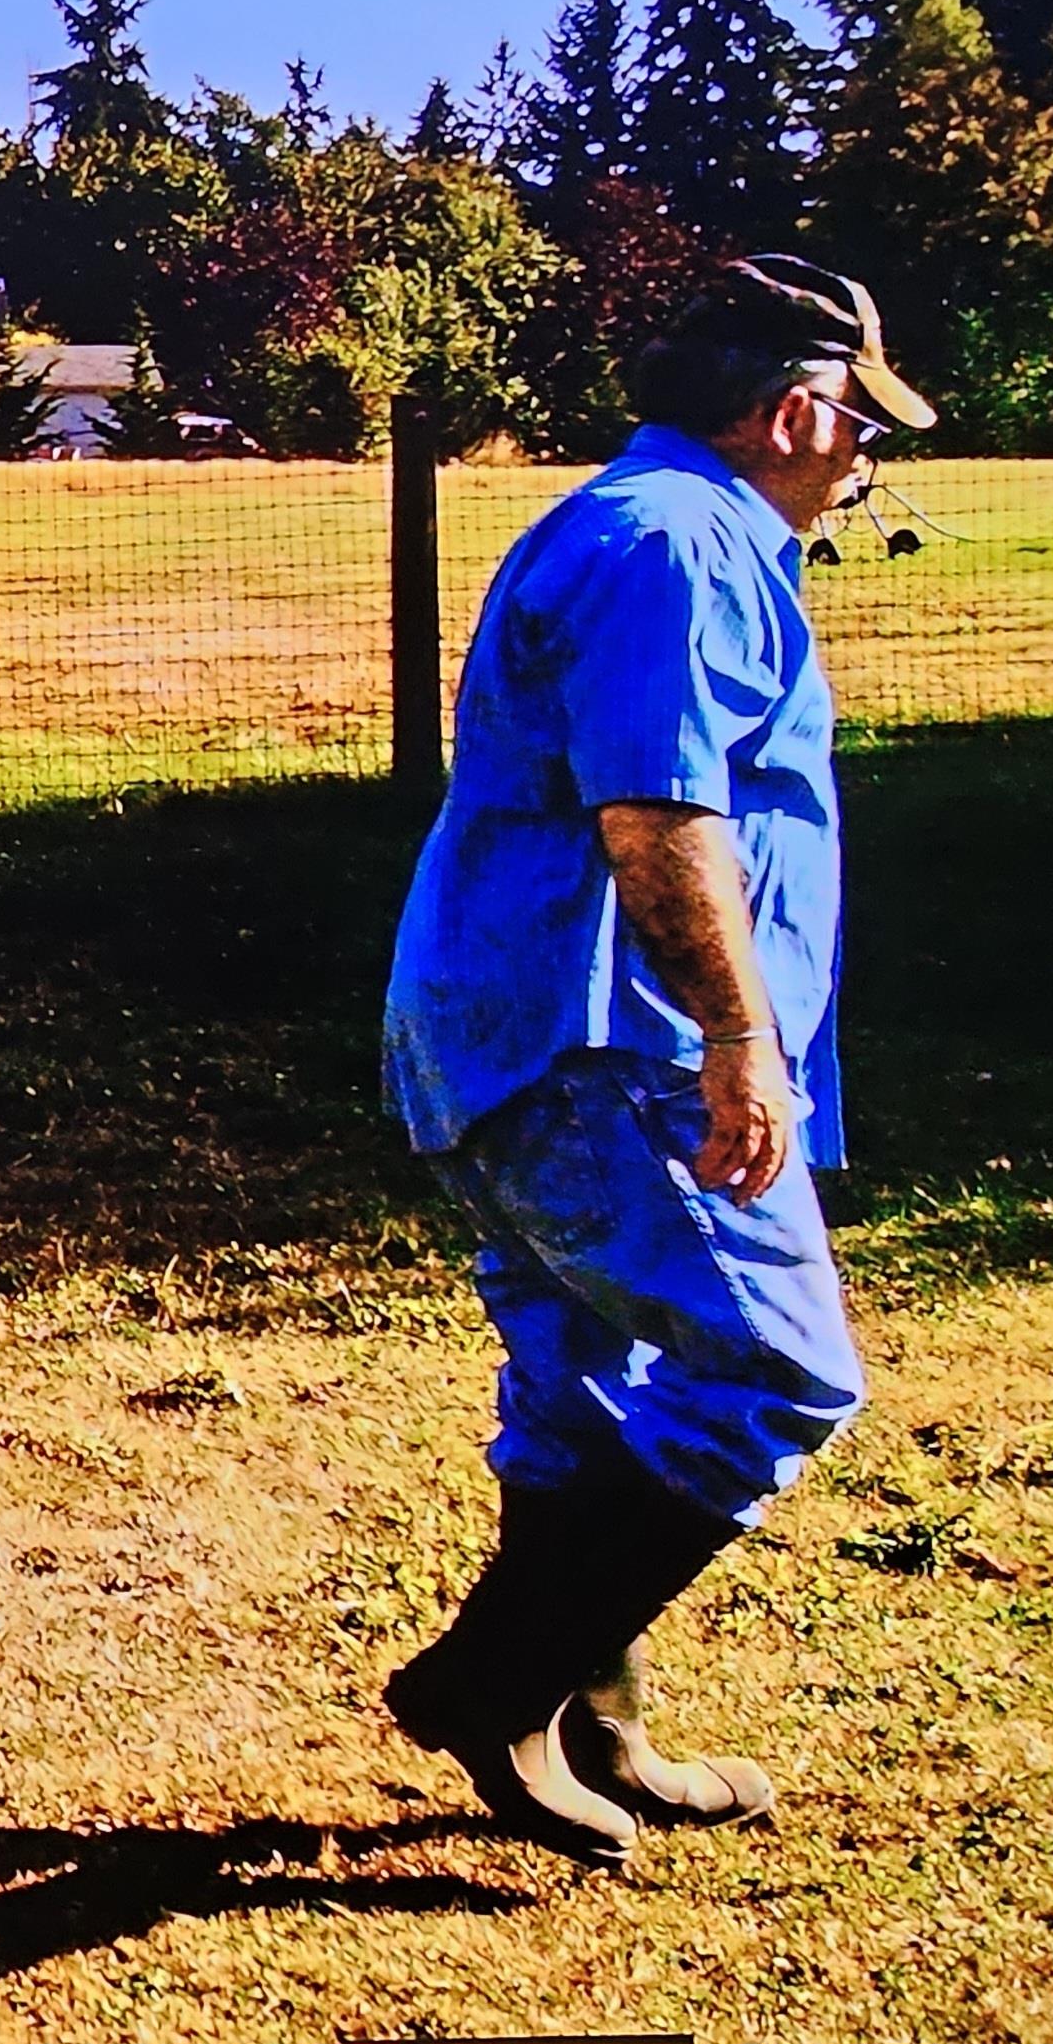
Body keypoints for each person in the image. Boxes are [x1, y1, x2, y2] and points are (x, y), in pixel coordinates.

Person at [378, 254, 934, 1868]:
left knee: (586, 1376)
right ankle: (502, 1680)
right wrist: (743, 1044)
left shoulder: (643, 528)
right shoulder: (678, 550)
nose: (865, 467)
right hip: (603, 1046)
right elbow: (658, 816)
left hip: (517, 1033)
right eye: (860, 431)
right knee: (781, 1370)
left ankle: (593, 1733)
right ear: (793, 409)